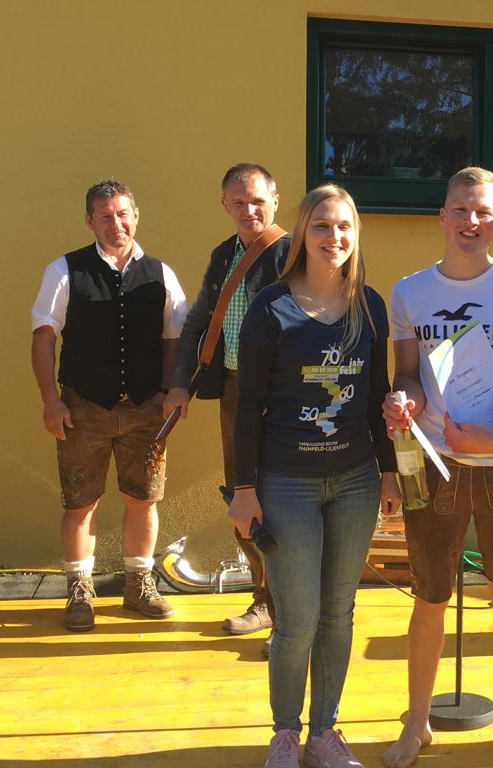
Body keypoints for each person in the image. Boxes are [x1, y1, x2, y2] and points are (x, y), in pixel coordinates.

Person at [381, 167, 493, 768]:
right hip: (435, 465)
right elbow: (407, 375)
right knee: (429, 598)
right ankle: (417, 723)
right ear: (442, 216)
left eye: (482, 213)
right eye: (460, 209)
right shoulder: (409, 292)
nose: (470, 222)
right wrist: (404, 401)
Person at [227, 183, 401, 768]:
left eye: (345, 226)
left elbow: (376, 396)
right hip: (286, 484)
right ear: (303, 233)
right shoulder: (270, 307)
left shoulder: (369, 306)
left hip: (354, 482)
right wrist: (243, 489)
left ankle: (324, 733)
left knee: (338, 614)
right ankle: (285, 733)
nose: (335, 236)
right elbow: (248, 406)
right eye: (322, 225)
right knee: (296, 620)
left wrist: (388, 472)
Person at [31, 178, 188, 632]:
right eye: (105, 216)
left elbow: (175, 338)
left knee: (143, 499)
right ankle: (80, 591)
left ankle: (139, 584)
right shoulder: (64, 270)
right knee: (81, 503)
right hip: (83, 406)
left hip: (145, 409)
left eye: (122, 214)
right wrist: (51, 400)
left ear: (136, 216)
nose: (115, 223)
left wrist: (167, 390)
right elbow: (43, 337)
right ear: (89, 221)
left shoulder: (161, 273)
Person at [165, 163, 291, 654]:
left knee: (283, 502)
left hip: (282, 394)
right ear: (225, 205)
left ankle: (289, 617)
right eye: (239, 202)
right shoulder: (222, 255)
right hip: (237, 391)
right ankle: (264, 600)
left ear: (275, 200)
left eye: (257, 200)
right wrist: (181, 385)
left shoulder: (292, 252)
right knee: (242, 498)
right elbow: (198, 321)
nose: (249, 209)